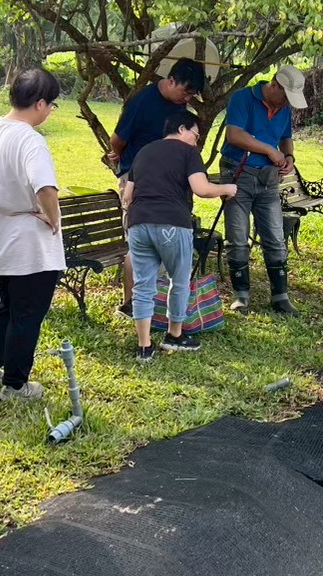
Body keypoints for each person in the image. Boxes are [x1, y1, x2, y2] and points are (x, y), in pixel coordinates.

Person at [0, 68, 66, 400]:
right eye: (51, 105)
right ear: (40, 103)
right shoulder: (30, 139)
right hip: (28, 242)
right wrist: (54, 219)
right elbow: (45, 187)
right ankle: (15, 384)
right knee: (27, 314)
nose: (50, 111)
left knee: (4, 307)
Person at [122, 112, 237, 364]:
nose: (196, 141)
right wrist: (227, 188)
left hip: (138, 223)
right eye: (195, 135)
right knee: (179, 281)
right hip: (173, 223)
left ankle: (144, 346)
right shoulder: (188, 153)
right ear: (182, 129)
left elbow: (127, 196)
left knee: (143, 285)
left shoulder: (143, 152)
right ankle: (174, 335)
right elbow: (201, 189)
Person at [107, 58, 205, 315]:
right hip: (139, 179)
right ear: (171, 81)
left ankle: (157, 303)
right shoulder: (142, 101)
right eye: (185, 92)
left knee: (166, 237)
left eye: (191, 95)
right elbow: (117, 139)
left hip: (171, 182)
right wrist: (124, 162)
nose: (187, 99)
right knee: (139, 242)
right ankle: (131, 304)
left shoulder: (179, 105)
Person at [219, 65, 307, 315]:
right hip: (238, 172)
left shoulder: (283, 108)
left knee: (275, 238)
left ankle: (280, 296)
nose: (287, 104)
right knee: (238, 236)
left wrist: (289, 157)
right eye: (285, 97)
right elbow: (234, 135)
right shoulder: (242, 98)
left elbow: (286, 138)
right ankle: (241, 295)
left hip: (269, 177)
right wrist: (269, 150)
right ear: (275, 85)